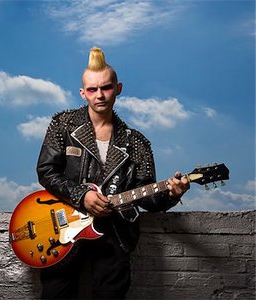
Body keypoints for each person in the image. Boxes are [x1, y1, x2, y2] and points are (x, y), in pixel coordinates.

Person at [36, 47, 190, 299]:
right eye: (93, 90)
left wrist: (171, 194)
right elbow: (46, 171)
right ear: (82, 93)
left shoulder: (137, 143)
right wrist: (81, 196)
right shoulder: (62, 125)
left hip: (114, 235)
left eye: (106, 88)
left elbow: (147, 197)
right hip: (63, 230)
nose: (100, 95)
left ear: (118, 88)